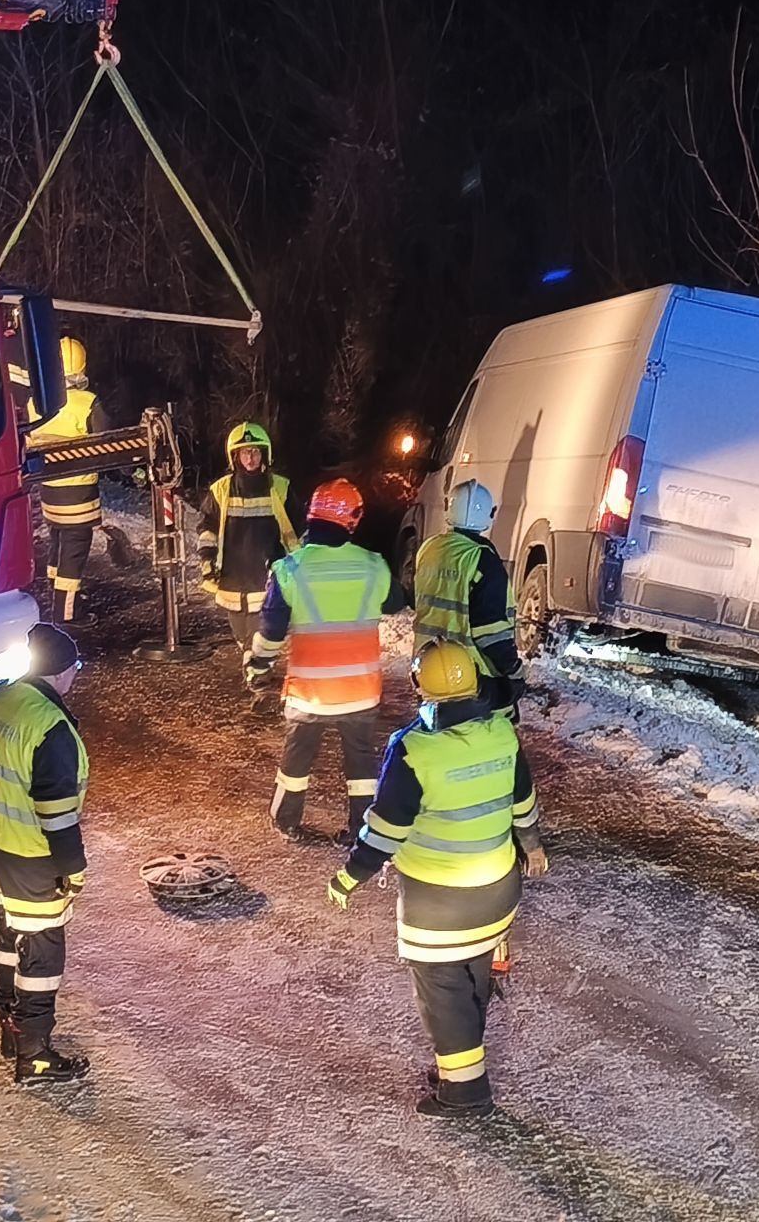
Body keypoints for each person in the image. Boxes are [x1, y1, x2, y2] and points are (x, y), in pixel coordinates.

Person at [326, 640, 546, 1118]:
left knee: (443, 995)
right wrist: (533, 847)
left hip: (439, 905)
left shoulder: (414, 750)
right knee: (473, 979)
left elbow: (385, 830)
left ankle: (466, 1092)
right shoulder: (502, 734)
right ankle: (458, 1066)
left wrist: (349, 877)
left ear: (418, 686)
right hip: (499, 890)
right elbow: (524, 803)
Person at [0, 623, 91, 1081]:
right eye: (76, 667)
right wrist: (73, 869)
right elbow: (57, 816)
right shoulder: (51, 728)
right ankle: (34, 1053)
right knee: (41, 953)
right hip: (29, 857)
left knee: (6, 936)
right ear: (61, 672)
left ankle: (10, 1029)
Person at [248, 478, 400, 841]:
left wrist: (258, 666)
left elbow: (271, 632)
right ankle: (362, 828)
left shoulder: (290, 569)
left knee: (296, 761)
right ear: (351, 519)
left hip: (309, 694)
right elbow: (395, 603)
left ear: (312, 515)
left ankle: (287, 821)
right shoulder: (374, 565)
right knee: (362, 765)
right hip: (360, 692)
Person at [411, 479, 543, 716]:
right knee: (484, 733)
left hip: (427, 667)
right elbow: (490, 632)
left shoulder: (428, 549)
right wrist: (512, 670)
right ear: (489, 514)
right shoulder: (482, 560)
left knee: (435, 727)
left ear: (449, 507)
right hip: (469, 675)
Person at [197, 422, 300, 699]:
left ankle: (259, 679)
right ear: (235, 456)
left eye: (255, 451)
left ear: (264, 454)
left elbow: (299, 527)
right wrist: (207, 561)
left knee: (260, 630)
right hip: (231, 577)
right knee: (242, 635)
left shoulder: (281, 487)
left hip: (267, 574)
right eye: (245, 452)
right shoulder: (220, 490)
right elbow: (207, 528)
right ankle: (253, 667)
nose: (251, 457)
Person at [25, 338, 109, 624]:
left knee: (59, 541)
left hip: (50, 491)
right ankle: (67, 612)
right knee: (75, 549)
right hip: (78, 493)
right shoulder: (88, 403)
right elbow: (107, 442)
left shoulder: (35, 402)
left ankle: (57, 593)